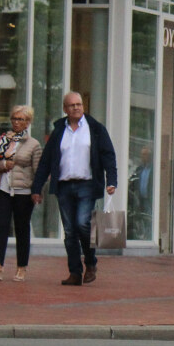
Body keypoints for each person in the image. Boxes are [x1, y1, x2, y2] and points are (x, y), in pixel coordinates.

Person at [31, 92, 118, 286]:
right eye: (72, 105)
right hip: (64, 185)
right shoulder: (59, 130)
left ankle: (90, 262)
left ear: (83, 107)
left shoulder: (95, 129)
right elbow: (46, 161)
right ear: (65, 109)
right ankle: (75, 272)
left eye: (79, 104)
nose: (76, 108)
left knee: (82, 224)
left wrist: (112, 180)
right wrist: (37, 187)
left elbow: (108, 155)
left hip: (87, 184)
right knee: (70, 231)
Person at [0, 106, 43, 282]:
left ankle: (21, 266)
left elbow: (39, 170)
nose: (16, 122)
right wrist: (3, 165)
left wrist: (36, 191)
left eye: (20, 119)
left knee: (21, 228)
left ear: (28, 122)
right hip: (4, 188)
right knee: (1, 225)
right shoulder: (4, 139)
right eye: (14, 118)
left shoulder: (33, 144)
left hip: (23, 191)